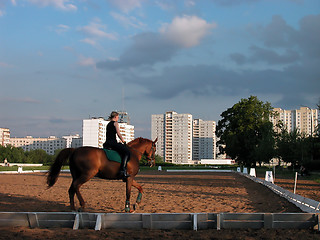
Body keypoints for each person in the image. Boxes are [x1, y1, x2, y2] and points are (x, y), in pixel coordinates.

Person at [103, 111, 130, 180]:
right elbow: (118, 134)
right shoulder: (115, 123)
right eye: (118, 117)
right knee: (126, 152)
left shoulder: (108, 124)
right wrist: (123, 141)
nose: (118, 118)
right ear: (115, 117)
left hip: (107, 143)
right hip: (113, 143)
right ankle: (122, 170)